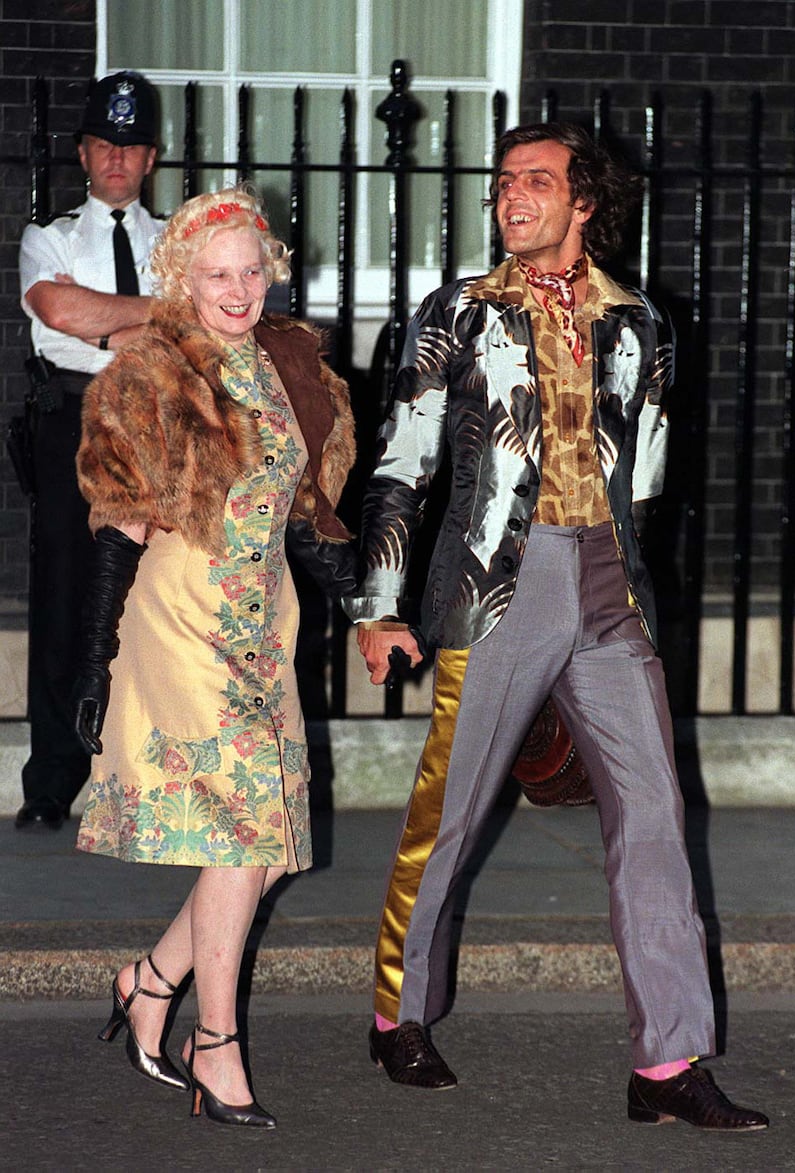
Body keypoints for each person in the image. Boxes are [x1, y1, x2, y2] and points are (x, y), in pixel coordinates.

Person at [345, 122, 769, 1131]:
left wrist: (623, 578)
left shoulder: (639, 324)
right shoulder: (457, 312)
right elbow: (402, 465)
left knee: (655, 819)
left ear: (585, 202)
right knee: (447, 813)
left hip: (607, 585)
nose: (510, 196)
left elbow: (649, 475)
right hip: (498, 583)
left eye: (534, 181)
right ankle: (396, 1016)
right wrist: (381, 604)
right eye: (502, 183)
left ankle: (666, 1064)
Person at [72, 187, 356, 1127]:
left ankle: (151, 979)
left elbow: (311, 496)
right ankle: (217, 1044)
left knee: (270, 845)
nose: (236, 291)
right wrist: (96, 651)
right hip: (186, 613)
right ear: (181, 280)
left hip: (264, 616)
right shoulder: (150, 369)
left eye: (249, 270)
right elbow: (113, 512)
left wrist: (360, 590)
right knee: (245, 834)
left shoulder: (285, 357)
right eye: (215, 275)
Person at [16, 71, 162, 831]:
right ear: (82, 151)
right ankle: (50, 781)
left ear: (151, 158)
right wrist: (145, 319)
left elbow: (198, 329)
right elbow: (57, 308)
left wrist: (100, 328)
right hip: (71, 426)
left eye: (131, 146)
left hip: (152, 421)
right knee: (64, 594)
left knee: (147, 598)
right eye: (105, 142)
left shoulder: (174, 241)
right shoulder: (49, 237)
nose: (117, 157)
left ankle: (136, 778)